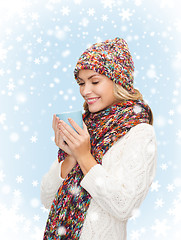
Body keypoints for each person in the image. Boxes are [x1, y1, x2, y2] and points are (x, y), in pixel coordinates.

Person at [41, 37, 157, 240]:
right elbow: (47, 200)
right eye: (81, 83)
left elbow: (123, 207)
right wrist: (70, 157)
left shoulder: (140, 133)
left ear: (119, 80)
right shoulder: (86, 126)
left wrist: (84, 156)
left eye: (95, 81)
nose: (85, 91)